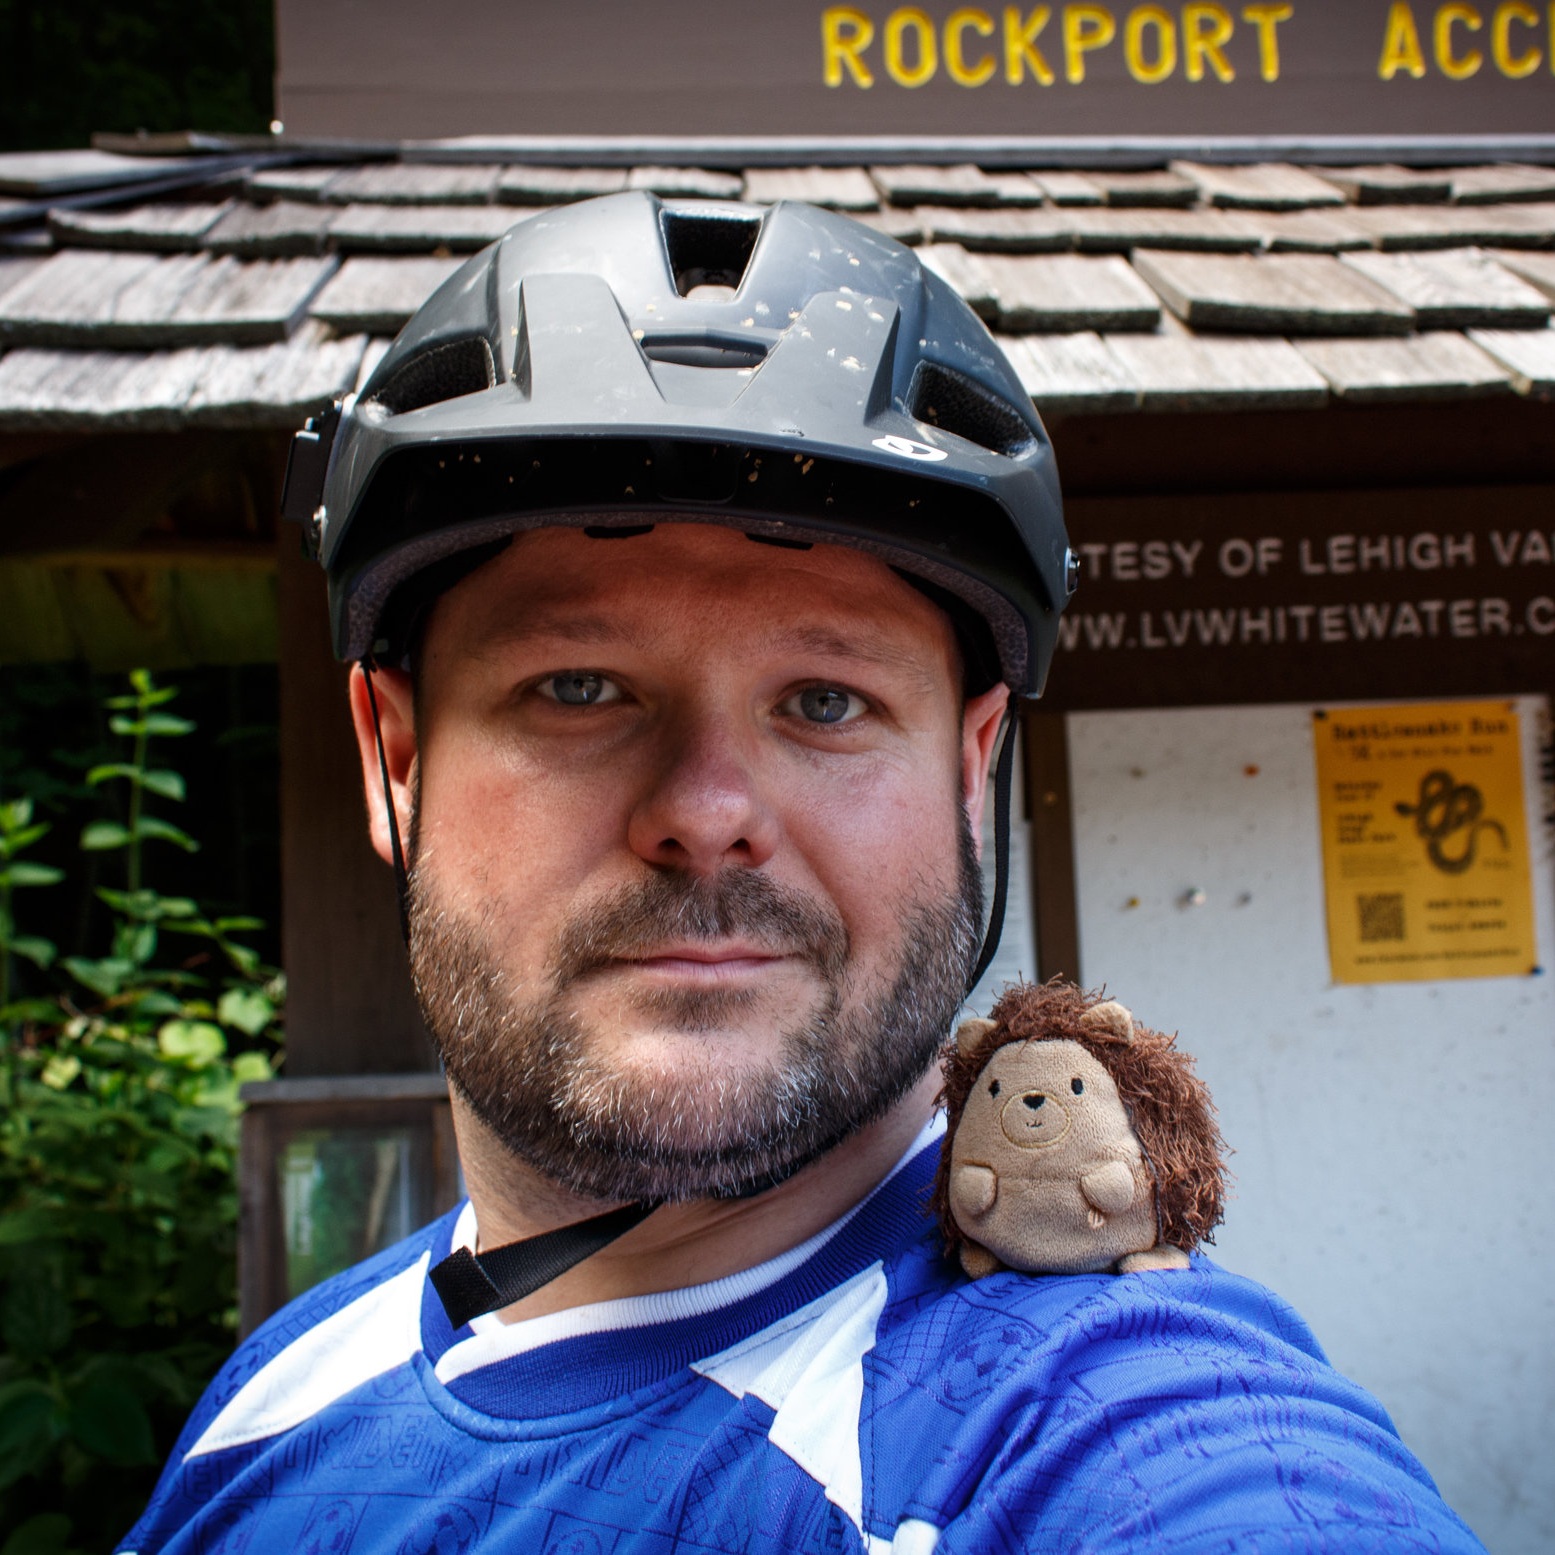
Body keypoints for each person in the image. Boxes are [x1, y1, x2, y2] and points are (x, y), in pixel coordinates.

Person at [120, 193, 1483, 1554]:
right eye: (579, 687)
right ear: (392, 761)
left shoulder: (1125, 1436)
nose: (707, 814)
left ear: (971, 770)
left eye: (827, 702)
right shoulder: (278, 1397)